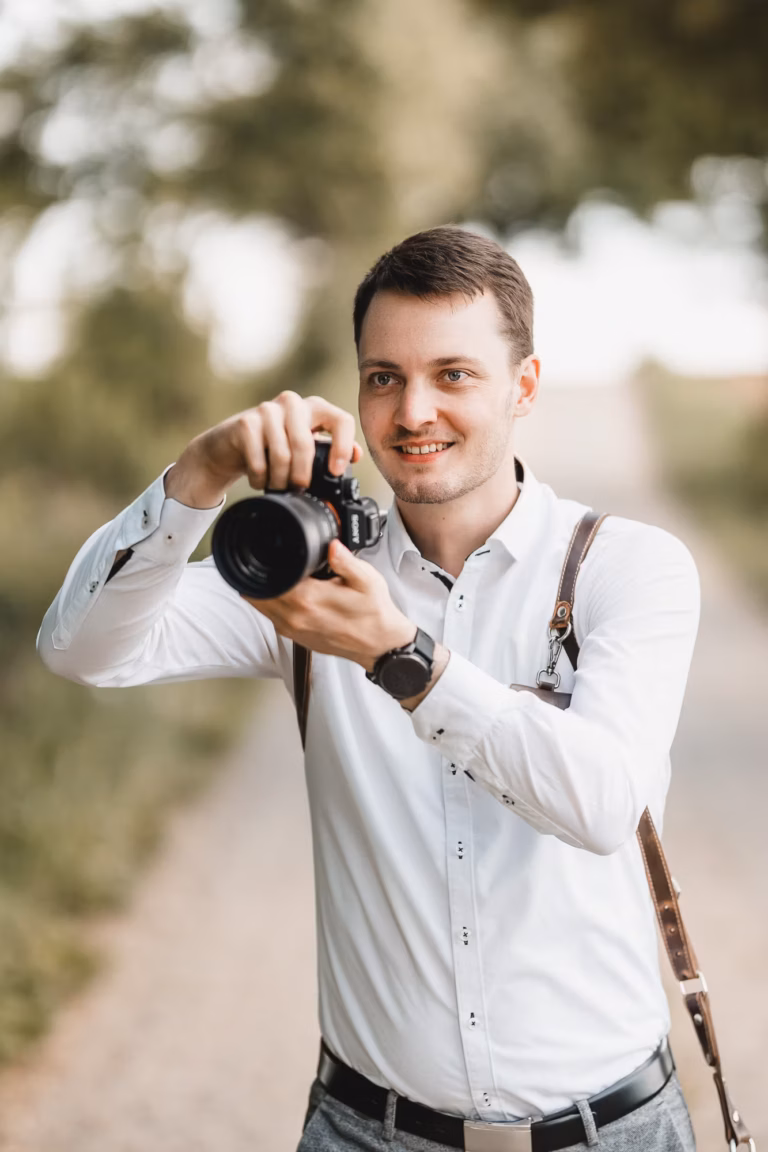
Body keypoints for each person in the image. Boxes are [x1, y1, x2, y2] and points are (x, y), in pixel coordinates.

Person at [37, 226, 700, 1151]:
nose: (412, 409)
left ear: (526, 385)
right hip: (368, 1131)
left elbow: (598, 803)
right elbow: (80, 649)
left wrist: (404, 658)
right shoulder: (311, 580)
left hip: (613, 1130)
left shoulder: (625, 567)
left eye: (453, 374)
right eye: (383, 377)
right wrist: (200, 474)